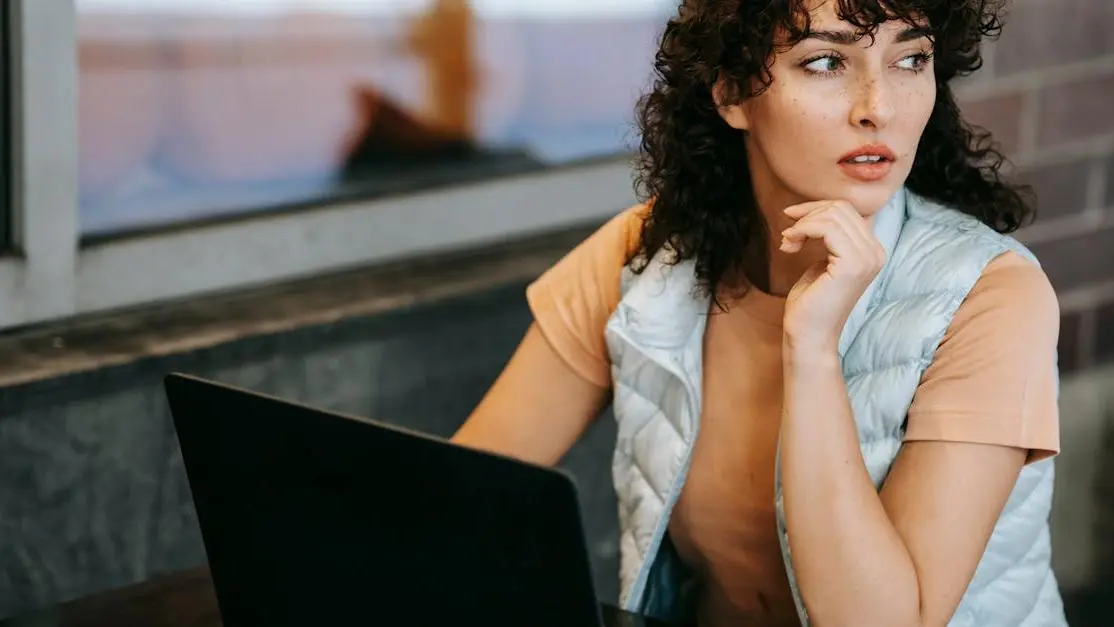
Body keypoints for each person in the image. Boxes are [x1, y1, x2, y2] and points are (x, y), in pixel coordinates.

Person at [451, 0, 1065, 625]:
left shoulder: (993, 295)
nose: (880, 107)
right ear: (732, 92)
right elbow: (445, 503)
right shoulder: (648, 254)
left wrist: (813, 349)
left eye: (911, 59)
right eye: (827, 62)